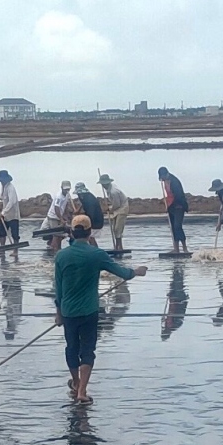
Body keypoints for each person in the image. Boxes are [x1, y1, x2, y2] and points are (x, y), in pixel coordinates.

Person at [54, 214, 145, 403]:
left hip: (68, 311)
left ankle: (77, 382)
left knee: (71, 348)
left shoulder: (61, 256)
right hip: (89, 311)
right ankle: (82, 392)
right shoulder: (97, 255)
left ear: (71, 232)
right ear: (89, 233)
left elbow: (58, 288)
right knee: (87, 350)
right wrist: (137, 271)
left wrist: (58, 313)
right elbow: (123, 273)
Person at [158, 167, 189, 253]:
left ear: (166, 174)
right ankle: (176, 249)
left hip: (179, 206)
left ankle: (185, 248)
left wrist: (178, 205)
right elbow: (169, 195)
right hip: (171, 206)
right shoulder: (165, 181)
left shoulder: (174, 181)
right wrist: (167, 205)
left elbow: (179, 195)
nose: (162, 179)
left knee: (177, 226)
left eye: (162, 177)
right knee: (173, 227)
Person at [41, 180, 76, 252]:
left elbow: (65, 206)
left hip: (60, 215)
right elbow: (56, 208)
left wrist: (67, 216)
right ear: (61, 188)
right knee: (57, 234)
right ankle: (56, 249)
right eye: (65, 189)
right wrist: (61, 219)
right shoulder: (58, 196)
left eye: (68, 189)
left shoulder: (67, 195)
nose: (67, 191)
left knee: (63, 233)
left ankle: (53, 245)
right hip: (53, 216)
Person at [99, 173, 129, 253]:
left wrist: (109, 208)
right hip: (117, 209)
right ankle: (117, 246)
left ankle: (119, 247)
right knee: (114, 229)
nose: (103, 186)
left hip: (122, 208)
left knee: (118, 228)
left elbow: (117, 204)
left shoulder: (113, 191)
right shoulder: (109, 189)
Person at [0, 170, 22, 248]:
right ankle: (2, 248)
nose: (1, 182)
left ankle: (15, 251)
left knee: (15, 234)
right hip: (5, 215)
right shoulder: (4, 187)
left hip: (13, 215)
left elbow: (12, 201)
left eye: (2, 180)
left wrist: (3, 212)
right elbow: (3, 197)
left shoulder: (11, 188)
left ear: (6, 179)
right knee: (2, 232)